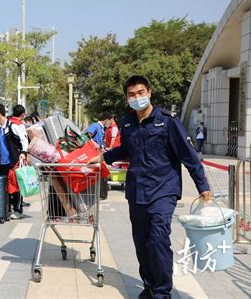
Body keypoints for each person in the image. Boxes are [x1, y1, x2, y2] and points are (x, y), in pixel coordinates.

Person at [87, 75, 211, 299]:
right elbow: (125, 150)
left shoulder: (168, 121)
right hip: (137, 190)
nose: (137, 98)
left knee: (158, 239)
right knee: (142, 242)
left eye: (141, 93)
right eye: (132, 95)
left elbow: (188, 155)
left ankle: (163, 292)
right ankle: (150, 285)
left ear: (149, 93)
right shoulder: (126, 123)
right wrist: (103, 157)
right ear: (127, 98)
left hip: (164, 190)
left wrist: (202, 184)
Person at [0, 104, 29, 219]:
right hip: (2, 162)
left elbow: (24, 140)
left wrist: (23, 152)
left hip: (14, 161)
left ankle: (17, 210)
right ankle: (6, 209)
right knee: (5, 187)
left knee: (16, 186)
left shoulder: (13, 126)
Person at [9, 105, 31, 207]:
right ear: (22, 115)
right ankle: (18, 207)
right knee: (18, 182)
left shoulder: (7, 123)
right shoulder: (19, 125)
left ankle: (9, 206)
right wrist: (23, 153)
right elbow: (24, 141)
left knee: (10, 183)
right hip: (17, 158)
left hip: (7, 158)